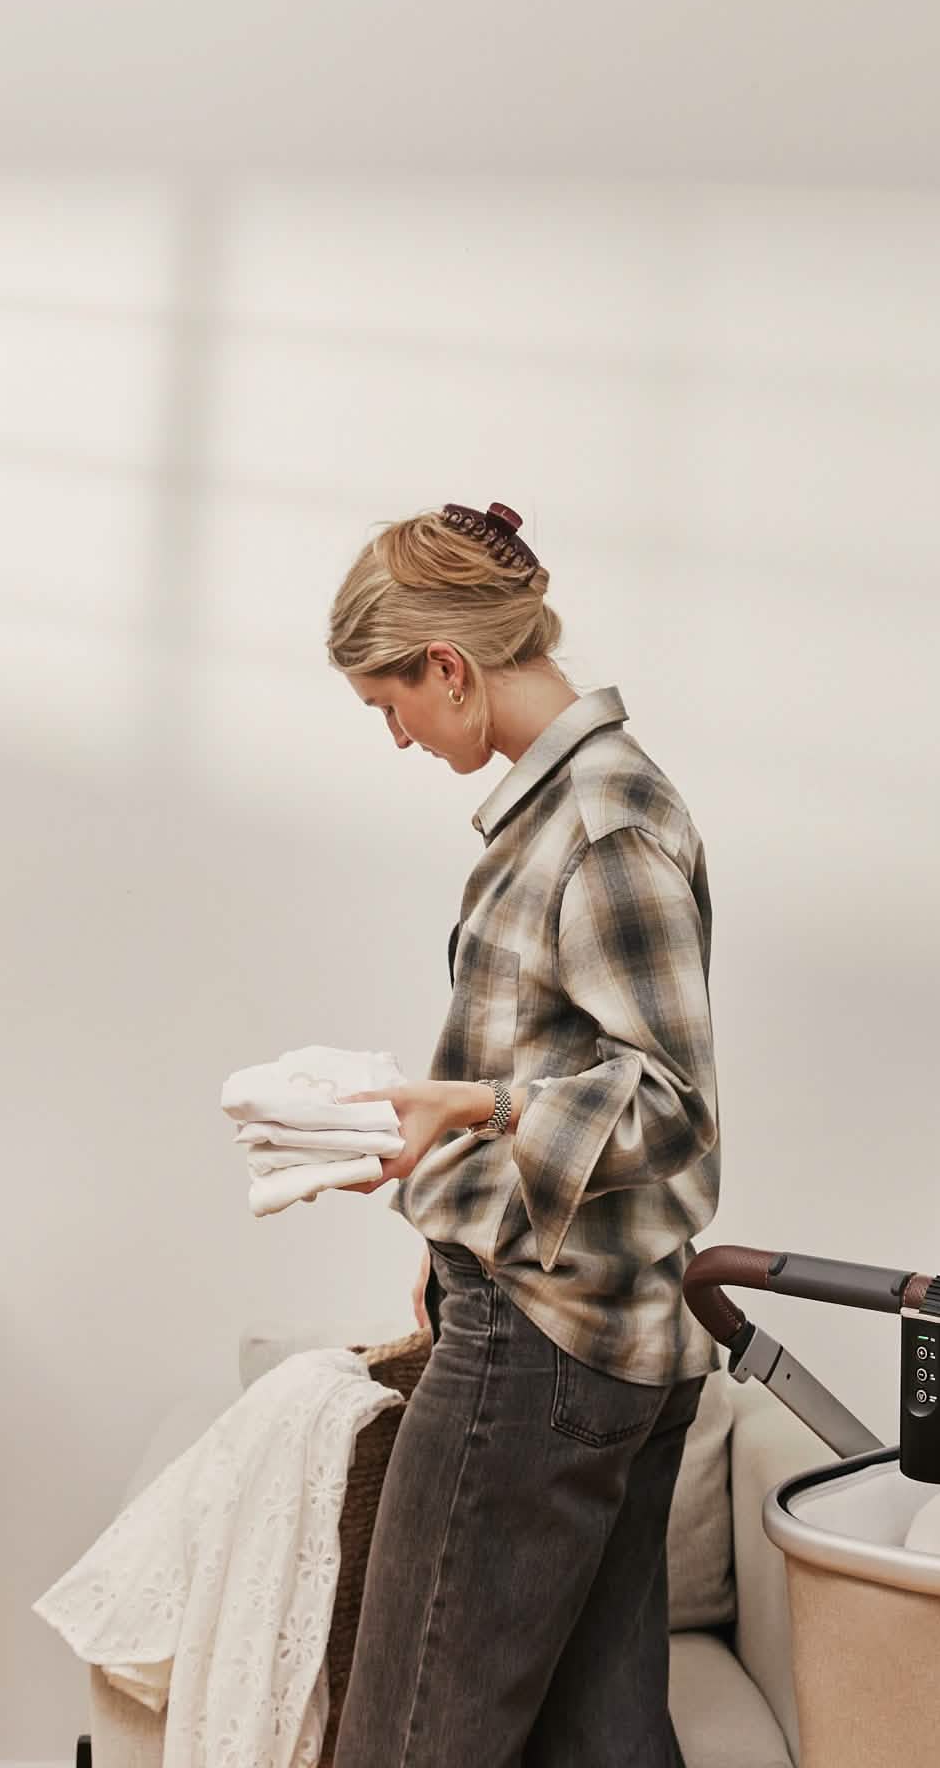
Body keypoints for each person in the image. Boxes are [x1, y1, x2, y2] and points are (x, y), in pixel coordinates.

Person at [323, 500, 719, 1768]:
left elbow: (669, 1099)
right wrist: (446, 1225)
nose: (395, 735)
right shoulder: (566, 812)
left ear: (449, 665)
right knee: (596, 1746)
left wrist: (477, 1111)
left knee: (406, 1742)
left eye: (390, 703)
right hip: (573, 1328)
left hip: (543, 1342)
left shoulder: (599, 823)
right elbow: (567, 1064)